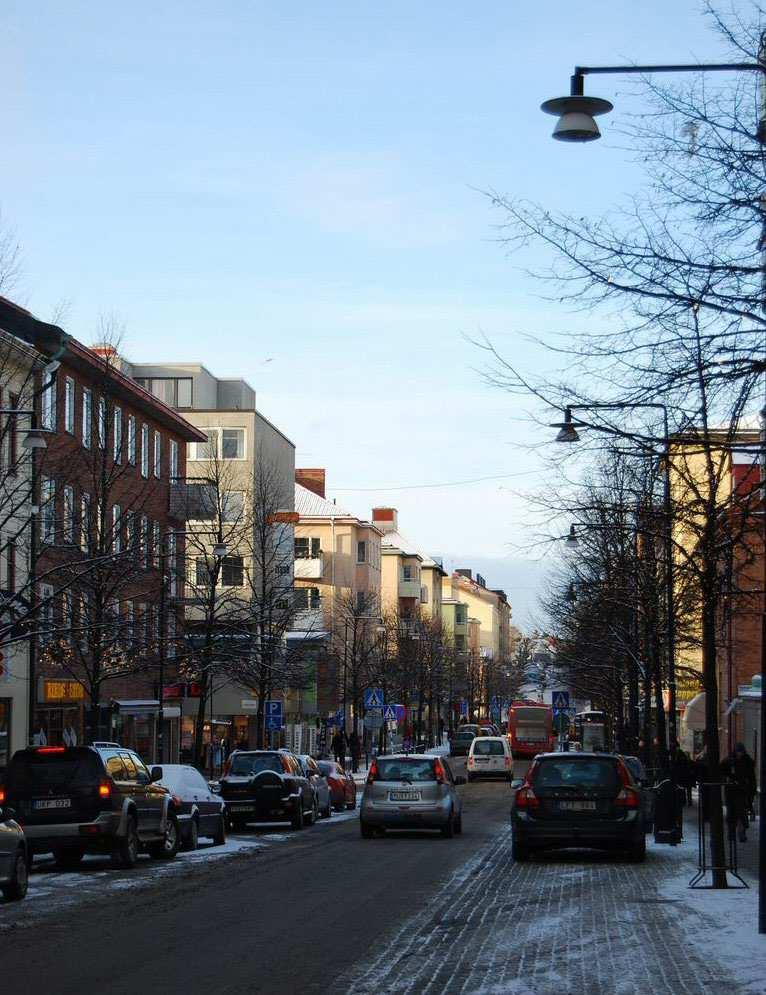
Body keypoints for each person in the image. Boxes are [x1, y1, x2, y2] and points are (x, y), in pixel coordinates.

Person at [720, 742, 757, 842]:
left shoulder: (748, 762)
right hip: (731, 791)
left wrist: (751, 790)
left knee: (742, 813)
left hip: (742, 791)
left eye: (741, 752)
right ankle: (731, 833)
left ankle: (741, 833)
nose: (740, 754)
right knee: (731, 813)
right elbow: (721, 771)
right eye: (738, 752)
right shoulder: (728, 761)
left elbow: (752, 778)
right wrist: (727, 779)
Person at [670, 738, 694, 806]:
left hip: (682, 774)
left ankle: (685, 801)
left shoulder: (678, 754)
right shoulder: (678, 753)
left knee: (683, 788)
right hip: (684, 774)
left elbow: (678, 764)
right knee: (685, 789)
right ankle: (687, 801)